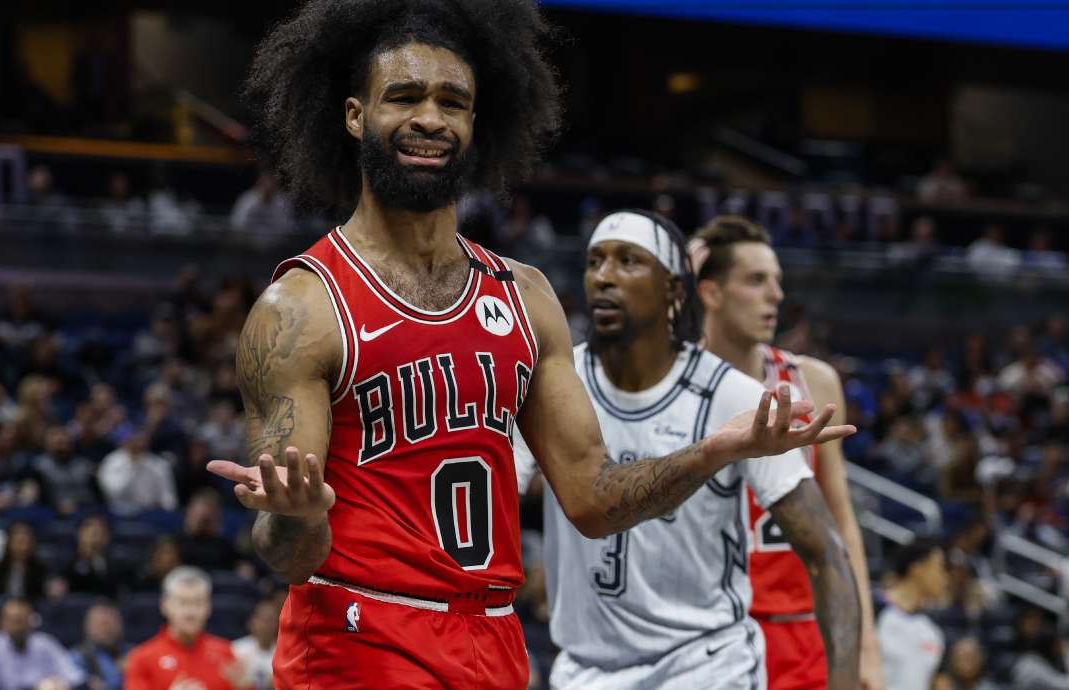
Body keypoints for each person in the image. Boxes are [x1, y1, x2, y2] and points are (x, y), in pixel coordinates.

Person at [205, 2, 853, 688]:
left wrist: (714, 450)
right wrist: (299, 519)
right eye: (405, 97)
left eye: (452, 101)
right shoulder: (302, 308)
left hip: (492, 642)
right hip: (359, 639)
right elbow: (290, 554)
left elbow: (594, 500)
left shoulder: (525, 297)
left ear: (475, 124)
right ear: (355, 116)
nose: (431, 117)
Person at [514, 210, 861, 689]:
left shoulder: (732, 395)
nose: (604, 277)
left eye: (628, 261)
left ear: (674, 289)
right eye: (595, 262)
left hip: (707, 666)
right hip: (584, 670)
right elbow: (491, 503)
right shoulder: (552, 384)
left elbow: (827, 552)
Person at [688, 215, 883, 690]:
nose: (776, 294)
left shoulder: (814, 381)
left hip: (803, 631)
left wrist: (866, 648)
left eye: (777, 280)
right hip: (707, 634)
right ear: (710, 292)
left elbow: (842, 527)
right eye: (757, 281)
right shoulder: (675, 387)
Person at [124, 566, 244, 690]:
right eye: (182, 602)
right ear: (164, 605)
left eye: (198, 602)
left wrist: (244, 687)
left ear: (208, 606)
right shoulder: (141, 659)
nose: (190, 612)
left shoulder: (225, 653)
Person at [877, 538, 949, 690]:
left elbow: (940, 683)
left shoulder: (934, 629)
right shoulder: (872, 609)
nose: (945, 578)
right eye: (940, 568)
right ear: (917, 569)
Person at [0, 598, 85, 690]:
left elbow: (73, 676)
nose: (18, 627)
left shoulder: (46, 643)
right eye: (13, 621)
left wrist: (58, 684)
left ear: (32, 622)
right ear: (1, 623)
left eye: (22, 620)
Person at [71, 601, 129, 690]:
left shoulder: (134, 653)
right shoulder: (77, 657)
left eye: (113, 623)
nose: (107, 630)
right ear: (88, 627)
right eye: (102, 623)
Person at [232, 598, 280, 690]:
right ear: (251, 621)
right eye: (262, 618)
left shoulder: (284, 653)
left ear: (278, 623)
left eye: (271, 619)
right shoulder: (236, 648)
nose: (266, 624)